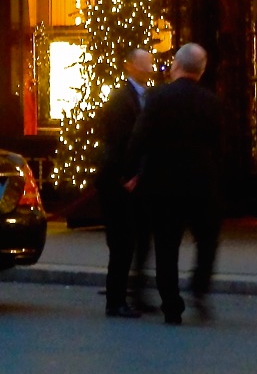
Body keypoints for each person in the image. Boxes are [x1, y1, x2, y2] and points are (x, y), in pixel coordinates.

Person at [128, 43, 224, 325]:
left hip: (164, 183)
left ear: (176, 66)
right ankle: (199, 287)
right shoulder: (212, 102)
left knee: (166, 247)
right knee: (207, 240)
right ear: (202, 71)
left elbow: (139, 137)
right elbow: (220, 147)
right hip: (202, 184)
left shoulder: (158, 98)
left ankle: (172, 305)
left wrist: (130, 172)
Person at [95, 48, 156, 319]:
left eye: (150, 65)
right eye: (144, 66)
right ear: (130, 66)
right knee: (122, 243)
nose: (149, 70)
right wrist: (126, 176)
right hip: (120, 180)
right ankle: (116, 300)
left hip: (135, 180)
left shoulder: (145, 97)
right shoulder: (121, 99)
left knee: (138, 239)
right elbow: (120, 141)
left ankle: (132, 294)